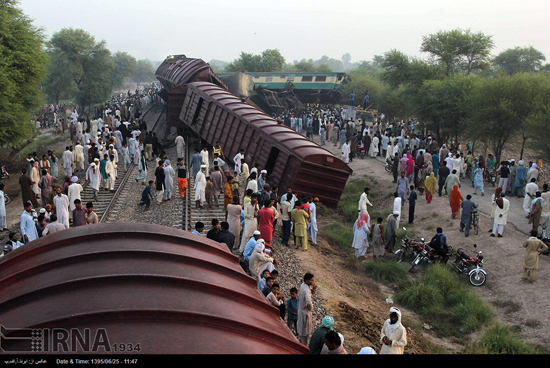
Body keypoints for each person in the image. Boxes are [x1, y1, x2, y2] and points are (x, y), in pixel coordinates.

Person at [297, 272, 317, 345]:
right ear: (307, 280)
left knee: (301, 331)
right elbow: (308, 301)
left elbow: (311, 293)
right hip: (305, 312)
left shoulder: (303, 286)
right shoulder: (306, 290)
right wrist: (311, 308)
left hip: (301, 311)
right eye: (311, 280)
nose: (313, 282)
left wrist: (314, 288)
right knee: (305, 333)